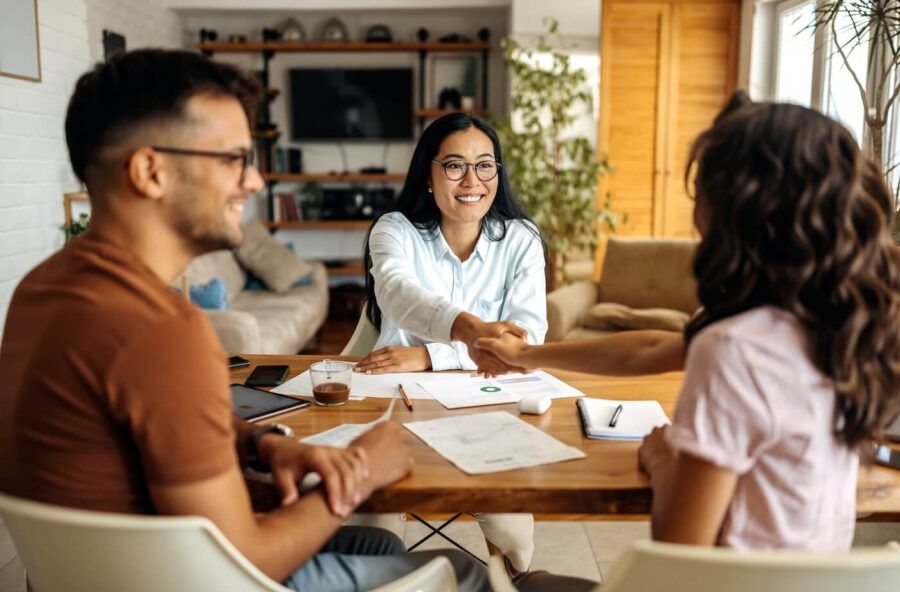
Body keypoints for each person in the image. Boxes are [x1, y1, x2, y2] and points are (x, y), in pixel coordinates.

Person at [0, 49, 494, 592]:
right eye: (234, 159)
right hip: (180, 582)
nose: (255, 181)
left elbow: (143, 421)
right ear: (149, 171)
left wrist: (261, 444)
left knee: (378, 543)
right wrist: (360, 472)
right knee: (463, 571)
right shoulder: (159, 332)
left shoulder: (42, 288)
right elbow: (247, 563)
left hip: (90, 574)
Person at [478, 92, 900, 549]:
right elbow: (654, 348)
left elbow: (681, 547)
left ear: (738, 209)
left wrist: (663, 458)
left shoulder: (736, 348)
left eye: (703, 191)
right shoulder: (843, 323)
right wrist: (528, 355)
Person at [355, 113, 546, 574]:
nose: (472, 180)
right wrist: (476, 336)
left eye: (485, 166)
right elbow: (400, 295)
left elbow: (527, 337)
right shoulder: (393, 230)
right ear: (428, 172)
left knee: (514, 536)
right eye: (455, 165)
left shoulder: (521, 239)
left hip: (487, 406)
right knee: (372, 531)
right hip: (393, 404)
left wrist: (427, 355)